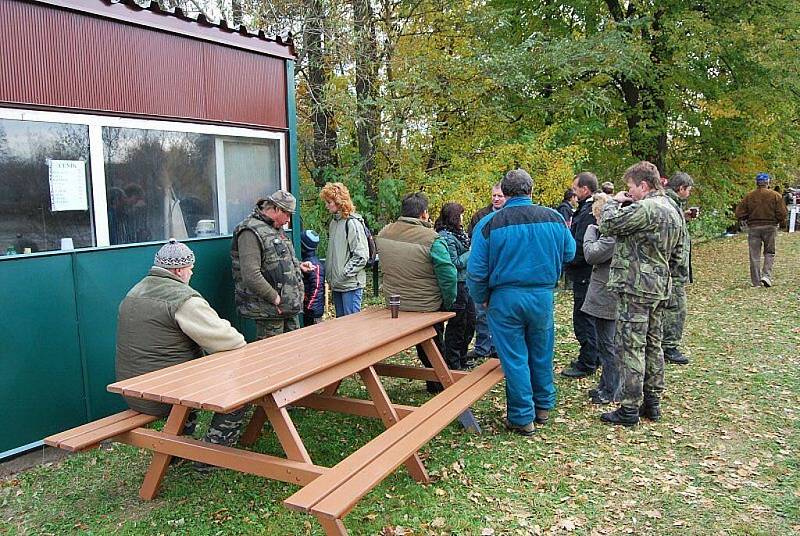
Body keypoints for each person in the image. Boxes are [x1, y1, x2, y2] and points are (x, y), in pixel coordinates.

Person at [467, 169, 576, 435]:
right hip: (541, 296)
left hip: (504, 298)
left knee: (514, 357)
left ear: (504, 192)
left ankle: (522, 416)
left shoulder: (490, 224)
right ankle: (543, 407)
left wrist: (482, 299)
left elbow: (476, 270)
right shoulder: (555, 218)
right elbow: (570, 252)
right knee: (541, 351)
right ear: (531, 190)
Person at [115, 239, 248, 451]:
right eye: (190, 269)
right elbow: (231, 341)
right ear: (178, 270)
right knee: (241, 389)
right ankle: (213, 454)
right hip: (165, 396)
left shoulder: (135, 292)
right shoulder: (183, 299)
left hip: (132, 390)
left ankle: (179, 448)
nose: (192, 274)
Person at [598, 161, 685, 426]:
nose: (629, 192)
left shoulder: (646, 208)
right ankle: (653, 402)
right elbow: (680, 252)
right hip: (660, 286)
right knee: (653, 344)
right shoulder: (673, 209)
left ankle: (629, 407)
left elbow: (608, 224)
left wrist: (614, 201)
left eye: (631, 188)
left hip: (636, 287)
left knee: (631, 346)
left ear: (643, 186)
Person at [375, 192, 457, 393]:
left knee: (426, 346)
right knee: (434, 344)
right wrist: (449, 302)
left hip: (395, 304)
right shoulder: (432, 239)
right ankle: (439, 384)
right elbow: (448, 275)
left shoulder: (384, 233)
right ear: (423, 214)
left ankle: (435, 381)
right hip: (426, 306)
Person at [231, 190, 314, 339]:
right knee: (272, 357)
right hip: (270, 310)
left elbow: (276, 259)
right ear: (275, 209)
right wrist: (275, 299)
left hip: (288, 307)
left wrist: (298, 266)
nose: (288, 220)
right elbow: (251, 275)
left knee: (294, 351)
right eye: (287, 214)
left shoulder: (276, 228)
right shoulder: (250, 231)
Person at [581, 193, 621, 404]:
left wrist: (590, 232)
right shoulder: (610, 234)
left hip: (607, 295)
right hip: (605, 292)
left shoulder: (610, 235)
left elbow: (592, 254)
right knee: (606, 343)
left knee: (608, 344)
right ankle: (607, 385)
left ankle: (611, 390)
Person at [561, 172, 600, 379]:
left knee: (584, 319)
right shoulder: (586, 210)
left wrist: (565, 258)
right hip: (585, 273)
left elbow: (582, 246)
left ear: (585, 189)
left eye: (575, 189)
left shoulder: (588, 213)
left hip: (584, 273)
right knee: (589, 318)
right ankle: (594, 356)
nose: (573, 193)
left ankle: (588, 361)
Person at [466, 182, 506, 363]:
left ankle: (498, 348)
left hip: (502, 272)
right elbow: (472, 244)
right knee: (481, 311)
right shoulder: (480, 216)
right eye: (494, 195)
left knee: (501, 312)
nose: (496, 199)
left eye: (500, 196)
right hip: (484, 270)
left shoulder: (510, 216)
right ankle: (482, 347)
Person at [434, 202, 476, 370]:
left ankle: (462, 357)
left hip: (466, 283)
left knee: (469, 323)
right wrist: (471, 251)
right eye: (461, 215)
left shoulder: (459, 234)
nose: (463, 218)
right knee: (457, 326)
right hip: (456, 285)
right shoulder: (445, 236)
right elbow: (454, 262)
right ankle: (454, 362)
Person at [319, 182, 369, 316]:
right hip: (337, 285)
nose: (327, 205)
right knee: (341, 327)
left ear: (339, 202)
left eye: (329, 202)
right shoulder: (334, 223)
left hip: (350, 286)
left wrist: (343, 275)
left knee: (351, 327)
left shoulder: (352, 223)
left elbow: (361, 256)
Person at [662, 172, 695, 364]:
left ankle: (667, 344)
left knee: (673, 306)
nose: (688, 194)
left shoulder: (672, 205)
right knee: (676, 307)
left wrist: (686, 217)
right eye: (688, 190)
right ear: (681, 188)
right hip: (673, 270)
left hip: (674, 268)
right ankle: (669, 346)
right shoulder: (670, 205)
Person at [735, 173, 787, 287]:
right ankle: (766, 276)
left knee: (754, 255)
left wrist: (746, 218)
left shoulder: (749, 196)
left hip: (754, 228)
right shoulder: (776, 195)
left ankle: (756, 282)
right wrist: (779, 221)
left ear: (756, 183)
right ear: (768, 182)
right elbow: (782, 213)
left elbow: (739, 213)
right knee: (769, 252)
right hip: (770, 227)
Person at [300, 230, 326, 326]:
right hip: (308, 307)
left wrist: (310, 308)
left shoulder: (314, 265)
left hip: (313, 311)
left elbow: (317, 288)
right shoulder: (304, 262)